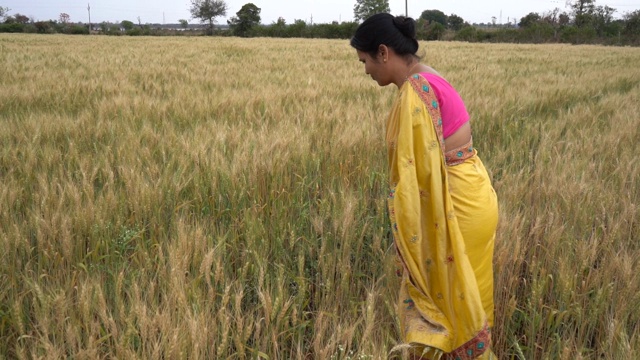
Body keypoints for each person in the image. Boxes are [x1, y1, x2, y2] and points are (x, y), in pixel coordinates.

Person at [351, 13, 498, 359]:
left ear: (383, 53)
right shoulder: (431, 78)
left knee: (444, 309)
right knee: (466, 298)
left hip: (457, 207)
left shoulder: (415, 94)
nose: (366, 71)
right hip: (474, 193)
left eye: (365, 61)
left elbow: (412, 178)